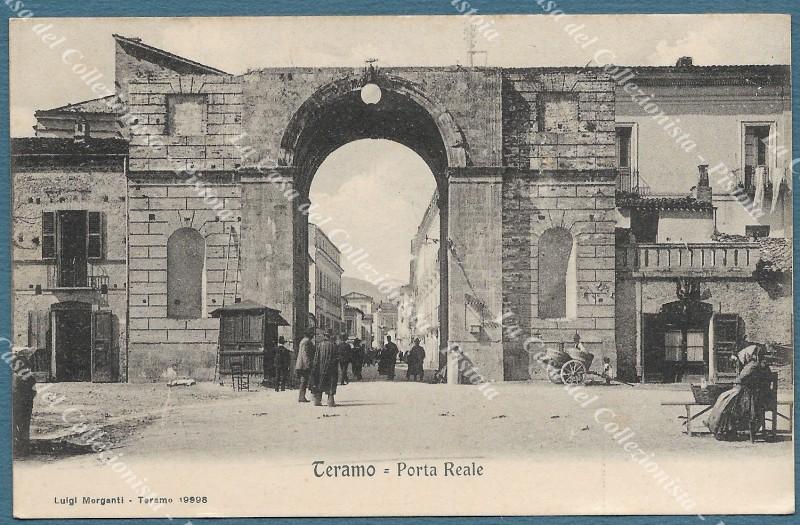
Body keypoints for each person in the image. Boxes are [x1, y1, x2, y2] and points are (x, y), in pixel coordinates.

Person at [706, 345, 772, 442]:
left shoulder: (752, 365)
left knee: (725, 402)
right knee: (725, 399)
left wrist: (737, 379)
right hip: (757, 395)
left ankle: (721, 428)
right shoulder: (762, 365)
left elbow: (741, 379)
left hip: (750, 397)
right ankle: (723, 428)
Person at [310, 330, 339, 407]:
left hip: (321, 368)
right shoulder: (333, 345)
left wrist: (315, 367)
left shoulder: (320, 345)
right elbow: (336, 358)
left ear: (324, 336)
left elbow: (316, 358)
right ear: (330, 336)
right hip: (331, 368)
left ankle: (317, 400)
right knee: (331, 384)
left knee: (320, 383)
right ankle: (330, 401)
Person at [295, 327, 315, 403]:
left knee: (304, 380)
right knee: (304, 381)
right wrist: (308, 364)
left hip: (301, 364)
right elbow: (305, 354)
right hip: (304, 365)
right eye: (312, 334)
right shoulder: (307, 342)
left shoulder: (303, 341)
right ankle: (302, 397)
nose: (313, 335)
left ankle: (302, 396)